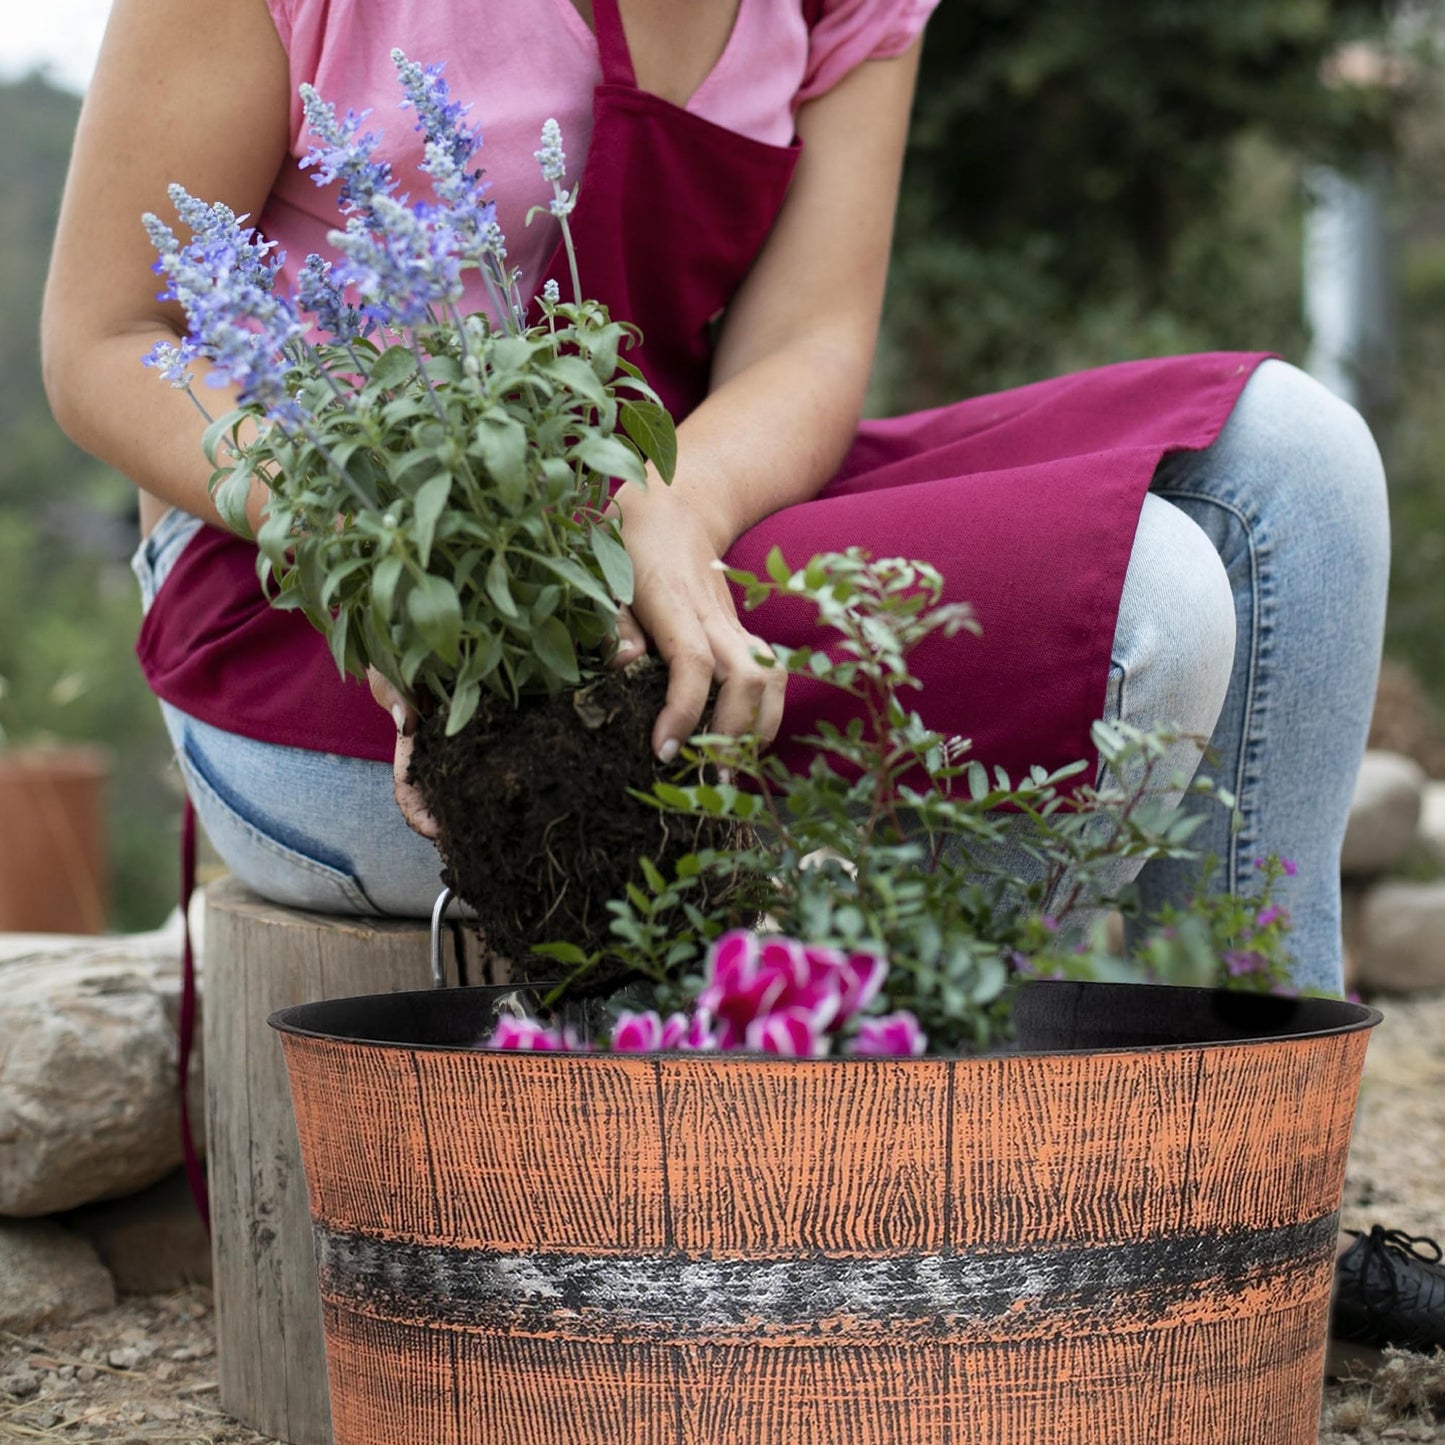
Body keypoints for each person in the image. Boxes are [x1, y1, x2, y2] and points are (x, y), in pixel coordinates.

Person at [40, 0, 1426, 1352]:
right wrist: (392, 551)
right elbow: (103, 341)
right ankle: (933, 1222)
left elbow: (806, 345)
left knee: (1291, 463)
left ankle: (1254, 1206)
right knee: (1152, 607)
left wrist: (665, 508)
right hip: (348, 605)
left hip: (689, 507)